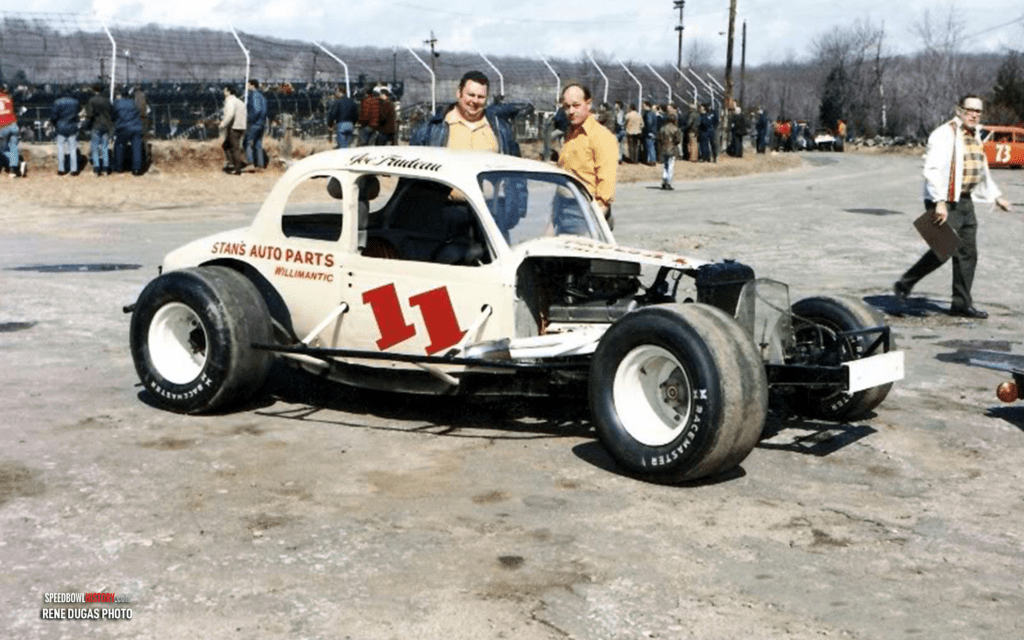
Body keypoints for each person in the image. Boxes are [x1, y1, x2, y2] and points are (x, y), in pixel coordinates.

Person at [893, 94, 1012, 319]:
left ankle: (961, 304)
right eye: (970, 110)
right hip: (942, 199)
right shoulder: (943, 134)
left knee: (968, 253)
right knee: (943, 249)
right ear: (959, 110)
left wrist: (996, 196)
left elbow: (981, 169)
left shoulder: (976, 134)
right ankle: (904, 284)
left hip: (965, 200)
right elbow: (931, 169)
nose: (974, 114)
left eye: (978, 111)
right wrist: (939, 202)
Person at [409, 70, 520, 156]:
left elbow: (516, 174)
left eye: (480, 97)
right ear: (459, 93)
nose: (475, 101)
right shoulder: (431, 130)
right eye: (471, 95)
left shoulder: (502, 130)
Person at [557, 82, 618, 229]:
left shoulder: (602, 137)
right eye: (567, 106)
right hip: (564, 210)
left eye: (576, 105)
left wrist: (591, 226)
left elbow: (605, 194)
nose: (571, 111)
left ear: (588, 104)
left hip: (588, 213)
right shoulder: (571, 135)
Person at [83, 83, 114, 176]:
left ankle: (97, 168)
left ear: (94, 90)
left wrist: (86, 125)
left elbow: (90, 115)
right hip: (106, 126)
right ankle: (105, 168)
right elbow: (111, 113)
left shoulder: (92, 100)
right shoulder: (107, 101)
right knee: (105, 147)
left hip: (96, 125)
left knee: (95, 148)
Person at [112, 89, 145, 175]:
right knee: (137, 148)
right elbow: (141, 113)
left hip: (122, 127)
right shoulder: (135, 103)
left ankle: (118, 167)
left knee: (119, 146)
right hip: (135, 128)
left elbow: (113, 115)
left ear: (121, 95)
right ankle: (136, 169)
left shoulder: (117, 103)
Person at [50, 92, 81, 175]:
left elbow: (53, 116)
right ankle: (74, 170)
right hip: (72, 127)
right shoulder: (76, 102)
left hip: (60, 127)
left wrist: (54, 123)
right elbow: (78, 114)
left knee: (60, 148)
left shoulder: (57, 102)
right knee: (73, 149)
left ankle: (61, 170)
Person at [219, 84, 247, 175]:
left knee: (234, 148)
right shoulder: (239, 101)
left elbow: (230, 114)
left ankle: (237, 168)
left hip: (234, 127)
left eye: (224, 90)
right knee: (227, 145)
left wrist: (223, 124)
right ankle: (232, 164)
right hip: (241, 126)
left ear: (228, 91)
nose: (223, 92)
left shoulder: (229, 101)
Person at [0, 83, 25, 177]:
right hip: (13, 125)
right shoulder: (9, 97)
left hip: (2, 126)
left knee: (2, 151)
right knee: (13, 147)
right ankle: (15, 169)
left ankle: (17, 163)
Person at [657, 105, 682, 190]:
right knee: (670, 166)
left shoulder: (662, 128)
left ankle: (664, 181)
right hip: (671, 149)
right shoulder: (675, 129)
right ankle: (668, 182)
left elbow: (659, 138)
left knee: (665, 166)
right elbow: (678, 140)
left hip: (663, 149)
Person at [245, 79, 268, 168]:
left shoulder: (254, 95)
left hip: (255, 123)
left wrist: (250, 119)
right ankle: (260, 164)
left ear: (252, 85)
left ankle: (250, 163)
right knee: (258, 143)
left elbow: (256, 110)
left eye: (247, 85)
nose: (246, 87)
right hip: (262, 123)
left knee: (248, 143)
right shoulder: (262, 96)